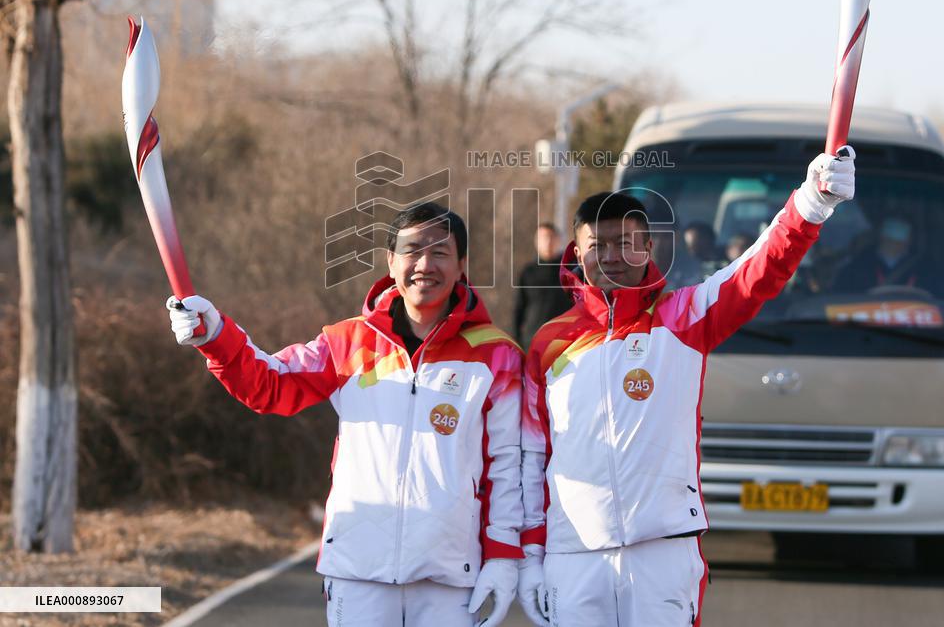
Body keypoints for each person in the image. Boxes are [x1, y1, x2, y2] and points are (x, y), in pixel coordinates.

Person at [517, 148, 856, 626]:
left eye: (626, 243)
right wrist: (529, 558)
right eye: (599, 246)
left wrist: (810, 205)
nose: (612, 257)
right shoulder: (549, 344)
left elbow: (757, 272)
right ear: (577, 252)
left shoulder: (683, 317)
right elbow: (531, 459)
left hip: (662, 553)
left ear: (648, 248)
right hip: (574, 555)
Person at [167, 203, 523, 627]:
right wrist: (217, 337)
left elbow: (509, 465)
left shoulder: (496, 356)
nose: (424, 264)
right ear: (391, 262)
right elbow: (268, 385)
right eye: (412, 251)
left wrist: (504, 558)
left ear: (462, 265)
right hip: (358, 570)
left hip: (448, 574)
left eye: (440, 252)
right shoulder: (348, 342)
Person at [512, 223, 574, 350]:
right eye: (543, 237)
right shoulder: (528, 272)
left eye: (551, 237)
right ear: (536, 242)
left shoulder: (570, 269)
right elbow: (520, 308)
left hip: (566, 342)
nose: (548, 242)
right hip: (533, 342)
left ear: (558, 240)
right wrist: (516, 341)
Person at [833, 215, 922, 293]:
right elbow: (840, 297)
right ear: (880, 234)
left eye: (900, 233)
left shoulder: (923, 268)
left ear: (910, 239)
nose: (893, 241)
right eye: (890, 230)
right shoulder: (857, 267)